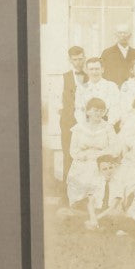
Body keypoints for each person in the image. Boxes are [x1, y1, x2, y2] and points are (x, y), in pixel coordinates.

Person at [66, 98, 119, 207]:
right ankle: (79, 203)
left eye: (101, 111)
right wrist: (83, 156)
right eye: (95, 110)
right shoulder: (79, 128)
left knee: (97, 171)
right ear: (88, 111)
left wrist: (101, 156)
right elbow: (73, 150)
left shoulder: (108, 127)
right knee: (82, 172)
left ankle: (97, 205)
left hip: (102, 160)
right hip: (83, 160)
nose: (98, 113)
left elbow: (115, 148)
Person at [58, 45, 87, 182]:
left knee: (86, 153)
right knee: (68, 154)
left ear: (84, 58)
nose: (78, 62)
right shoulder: (64, 77)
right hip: (68, 122)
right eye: (75, 59)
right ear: (70, 60)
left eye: (81, 59)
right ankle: (66, 191)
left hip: (86, 122)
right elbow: (58, 103)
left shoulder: (90, 75)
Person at [84, 153, 129, 235]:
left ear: (115, 167)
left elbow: (113, 207)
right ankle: (101, 227)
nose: (108, 171)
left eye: (110, 168)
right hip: (97, 211)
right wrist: (92, 217)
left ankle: (98, 227)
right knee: (64, 212)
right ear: (99, 170)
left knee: (117, 217)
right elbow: (91, 202)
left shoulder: (119, 183)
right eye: (104, 169)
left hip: (110, 213)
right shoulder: (95, 182)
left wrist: (96, 219)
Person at [74, 56, 123, 128]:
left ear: (102, 70)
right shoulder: (81, 88)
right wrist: (85, 126)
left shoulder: (111, 86)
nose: (94, 72)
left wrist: (109, 125)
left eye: (97, 69)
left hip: (108, 124)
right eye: (91, 69)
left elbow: (116, 108)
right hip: (88, 125)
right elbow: (79, 109)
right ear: (86, 71)